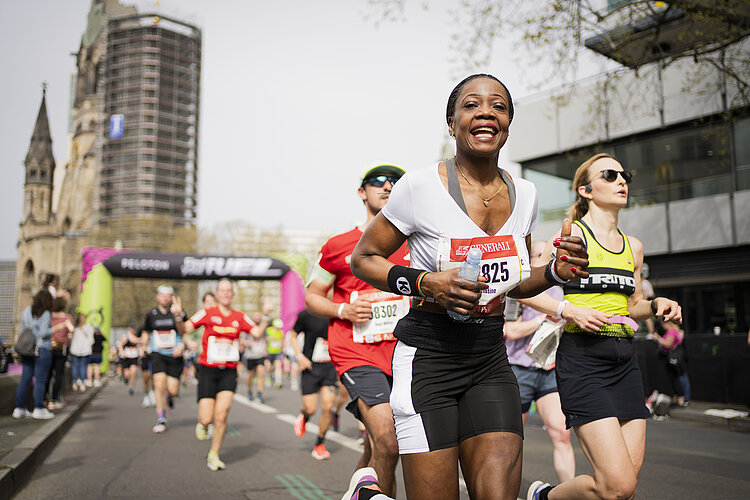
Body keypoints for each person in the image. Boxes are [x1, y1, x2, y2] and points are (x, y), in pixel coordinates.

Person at [350, 74, 589, 500]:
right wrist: (426, 283)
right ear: (451, 122)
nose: (485, 112)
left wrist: (555, 272)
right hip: (428, 358)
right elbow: (364, 259)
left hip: (489, 359)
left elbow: (513, 282)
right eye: (471, 105)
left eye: (498, 106)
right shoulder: (419, 186)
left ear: (508, 124)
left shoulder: (527, 194)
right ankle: (369, 493)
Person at [525, 152, 682, 500]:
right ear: (586, 190)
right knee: (617, 485)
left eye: (624, 174)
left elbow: (632, 305)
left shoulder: (634, 247)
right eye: (609, 175)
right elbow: (524, 292)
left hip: (626, 362)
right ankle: (545, 497)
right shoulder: (571, 237)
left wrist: (657, 305)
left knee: (624, 487)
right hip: (583, 359)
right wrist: (568, 310)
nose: (621, 180)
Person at [306, 163, 409, 498]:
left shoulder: (416, 242)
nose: (388, 186)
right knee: (388, 439)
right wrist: (342, 309)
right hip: (356, 351)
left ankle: (358, 493)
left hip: (404, 354)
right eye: (379, 182)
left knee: (377, 445)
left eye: (396, 182)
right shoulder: (339, 245)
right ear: (362, 192)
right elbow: (311, 295)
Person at [503, 243, 575, 483]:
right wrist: (545, 318)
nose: (548, 258)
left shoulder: (561, 289)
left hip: (549, 370)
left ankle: (567, 494)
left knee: (561, 434)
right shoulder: (518, 287)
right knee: (512, 441)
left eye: (552, 254)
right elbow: (510, 331)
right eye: (540, 254)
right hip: (519, 369)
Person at [184, 278, 268, 470]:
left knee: (221, 416)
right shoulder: (207, 313)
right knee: (206, 418)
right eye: (222, 290)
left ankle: (214, 453)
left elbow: (256, 333)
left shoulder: (239, 316)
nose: (225, 293)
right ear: (217, 293)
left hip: (228, 371)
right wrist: (177, 316)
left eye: (229, 290)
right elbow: (185, 328)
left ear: (232, 294)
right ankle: (203, 424)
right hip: (207, 370)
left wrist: (265, 315)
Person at [289, 309, 338, 460]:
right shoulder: (307, 314)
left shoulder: (337, 312)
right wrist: (299, 357)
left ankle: (319, 445)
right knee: (310, 408)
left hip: (330, 368)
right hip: (310, 367)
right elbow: (292, 336)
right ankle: (304, 415)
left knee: (328, 407)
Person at [140, 284, 188, 434]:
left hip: (175, 356)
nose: (166, 298)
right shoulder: (151, 315)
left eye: (169, 295)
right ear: (157, 297)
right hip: (157, 354)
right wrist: (143, 345)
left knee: (172, 390)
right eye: (163, 295)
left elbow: (186, 331)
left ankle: (170, 398)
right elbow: (146, 332)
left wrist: (182, 345)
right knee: (159, 384)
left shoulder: (180, 312)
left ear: (172, 297)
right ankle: (161, 418)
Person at [13, 289, 55, 420]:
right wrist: (51, 330)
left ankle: (19, 408)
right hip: (42, 349)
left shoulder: (26, 311)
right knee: (41, 380)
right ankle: (38, 408)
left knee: (25, 378)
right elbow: (42, 333)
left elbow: (23, 331)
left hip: (27, 349)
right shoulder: (46, 313)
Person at [652, 318, 687, 407]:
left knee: (676, 379)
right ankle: (677, 399)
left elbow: (668, 344)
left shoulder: (672, 331)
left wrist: (658, 338)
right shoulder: (676, 331)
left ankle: (680, 400)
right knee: (675, 379)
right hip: (673, 359)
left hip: (672, 359)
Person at [47, 296, 74, 410]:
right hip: (61, 348)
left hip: (48, 347)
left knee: (47, 373)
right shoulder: (67, 318)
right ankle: (55, 399)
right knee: (59, 374)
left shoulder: (48, 317)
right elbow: (71, 333)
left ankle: (45, 398)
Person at [242, 311, 268, 403]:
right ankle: (249, 391)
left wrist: (266, 348)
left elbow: (266, 339)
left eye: (258, 316)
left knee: (261, 373)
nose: (257, 318)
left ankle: (259, 394)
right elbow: (242, 341)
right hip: (250, 355)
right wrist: (250, 343)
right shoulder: (248, 327)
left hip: (260, 355)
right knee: (250, 375)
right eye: (255, 316)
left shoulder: (263, 328)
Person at [70, 312, 94, 391]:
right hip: (84, 350)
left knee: (75, 366)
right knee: (83, 366)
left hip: (75, 349)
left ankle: (74, 382)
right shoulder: (89, 327)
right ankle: (82, 382)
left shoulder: (74, 328)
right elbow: (91, 340)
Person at [118, 323, 141, 396]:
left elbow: (138, 345)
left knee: (133, 372)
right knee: (127, 374)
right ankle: (125, 378)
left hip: (134, 357)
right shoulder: (125, 337)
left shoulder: (137, 336)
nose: (133, 330)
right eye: (132, 328)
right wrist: (122, 353)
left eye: (134, 329)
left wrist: (140, 352)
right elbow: (120, 346)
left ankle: (132, 387)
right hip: (126, 357)